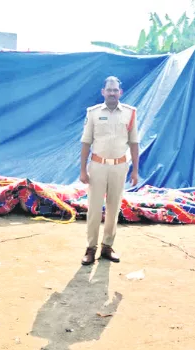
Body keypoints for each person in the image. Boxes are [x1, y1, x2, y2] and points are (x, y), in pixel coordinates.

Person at [79, 76, 139, 265]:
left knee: (114, 208)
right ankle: (91, 248)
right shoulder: (94, 113)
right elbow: (86, 142)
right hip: (97, 166)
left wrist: (135, 170)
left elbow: (134, 143)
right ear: (103, 92)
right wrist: (82, 170)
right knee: (94, 209)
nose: (112, 93)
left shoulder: (130, 114)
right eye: (109, 90)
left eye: (115, 90)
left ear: (120, 92)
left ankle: (107, 246)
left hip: (120, 166)